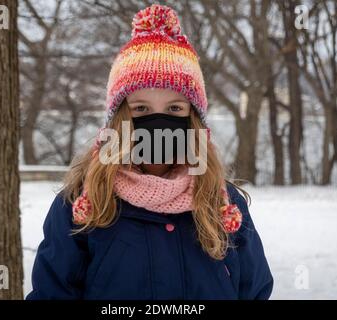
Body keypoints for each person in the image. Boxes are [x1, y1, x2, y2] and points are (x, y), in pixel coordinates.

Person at [26, 3, 273, 300]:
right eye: (141, 108)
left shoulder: (224, 205)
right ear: (118, 120)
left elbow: (254, 292)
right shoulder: (81, 204)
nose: (159, 121)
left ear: (194, 120)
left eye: (174, 108)